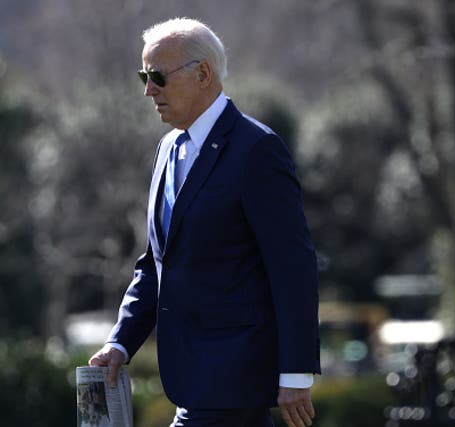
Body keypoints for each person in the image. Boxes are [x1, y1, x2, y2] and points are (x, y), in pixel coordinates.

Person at [88, 17, 320, 427]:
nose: (148, 89)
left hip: (236, 379)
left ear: (204, 74)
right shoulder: (166, 149)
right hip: (192, 382)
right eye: (144, 75)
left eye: (157, 75)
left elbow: (293, 268)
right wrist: (120, 342)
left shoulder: (257, 151)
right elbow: (158, 262)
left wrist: (296, 373)